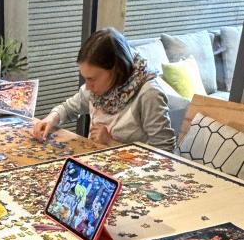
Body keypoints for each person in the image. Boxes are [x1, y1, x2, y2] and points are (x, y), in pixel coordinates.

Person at [32, 27, 176, 152]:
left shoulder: (149, 94)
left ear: (116, 70)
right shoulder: (96, 89)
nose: (87, 86)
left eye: (92, 79)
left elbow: (165, 151)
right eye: (85, 78)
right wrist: (50, 119)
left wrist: (111, 142)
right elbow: (68, 108)